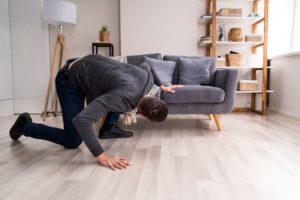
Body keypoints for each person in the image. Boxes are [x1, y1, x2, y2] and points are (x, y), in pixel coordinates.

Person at [9, 54, 181, 171]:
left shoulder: (147, 79)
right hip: (70, 80)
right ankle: (26, 126)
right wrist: (102, 156)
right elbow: (82, 120)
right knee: (73, 140)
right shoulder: (121, 97)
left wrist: (161, 84)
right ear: (143, 114)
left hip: (89, 68)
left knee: (112, 104)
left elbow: (147, 64)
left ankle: (107, 128)